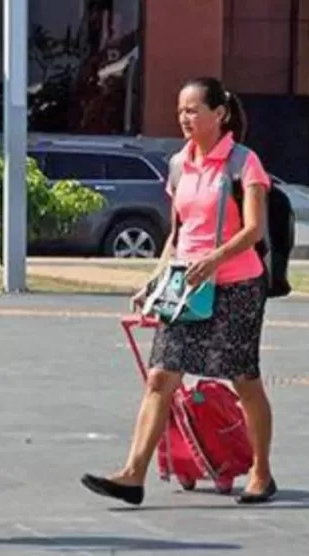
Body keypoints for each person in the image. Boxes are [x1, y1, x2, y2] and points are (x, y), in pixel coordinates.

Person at [80, 76, 277, 505]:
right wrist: (154, 279)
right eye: (180, 110)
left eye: (193, 110)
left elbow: (253, 230)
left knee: (244, 379)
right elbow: (179, 231)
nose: (184, 118)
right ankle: (133, 474)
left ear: (219, 114)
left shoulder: (244, 163)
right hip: (185, 285)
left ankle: (261, 471)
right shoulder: (177, 163)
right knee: (160, 377)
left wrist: (215, 258)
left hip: (237, 284)